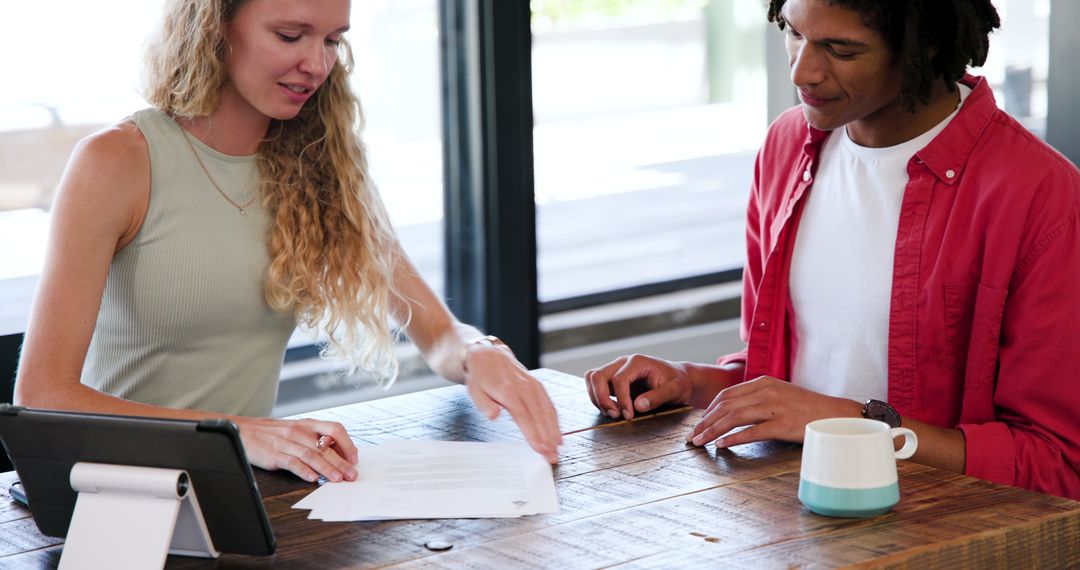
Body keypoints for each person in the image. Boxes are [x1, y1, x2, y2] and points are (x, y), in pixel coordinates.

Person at [13, 0, 561, 483]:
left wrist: (480, 352)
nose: (318, 64)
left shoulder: (324, 166)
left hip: (233, 492)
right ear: (217, 24)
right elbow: (42, 397)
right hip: (107, 490)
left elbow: (437, 335)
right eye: (290, 35)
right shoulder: (117, 161)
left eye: (332, 40)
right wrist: (236, 433)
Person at [586, 0, 1080, 500]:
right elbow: (787, 385)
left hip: (940, 535)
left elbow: (1056, 462)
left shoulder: (1040, 194)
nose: (803, 70)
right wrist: (690, 383)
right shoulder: (786, 146)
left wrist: (850, 421)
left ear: (926, 46)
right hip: (791, 523)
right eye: (793, 32)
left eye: (841, 49)